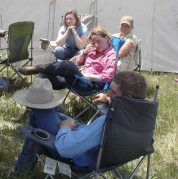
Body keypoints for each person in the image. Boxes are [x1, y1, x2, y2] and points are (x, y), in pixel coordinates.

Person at [13, 71, 148, 173]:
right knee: (54, 113)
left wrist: (65, 128)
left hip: (73, 153)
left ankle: (21, 169)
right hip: (96, 149)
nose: (108, 95)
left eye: (113, 91)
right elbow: (93, 135)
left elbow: (66, 149)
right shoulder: (141, 117)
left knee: (39, 111)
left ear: (128, 97)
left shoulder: (108, 122)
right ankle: (22, 167)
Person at [19, 26, 116, 90]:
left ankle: (36, 68)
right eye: (94, 43)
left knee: (67, 64)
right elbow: (79, 62)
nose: (96, 45)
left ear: (106, 38)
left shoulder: (111, 56)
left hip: (89, 83)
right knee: (44, 76)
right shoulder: (94, 50)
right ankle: (31, 107)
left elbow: (106, 77)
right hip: (76, 79)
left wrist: (84, 75)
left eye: (98, 41)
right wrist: (84, 53)